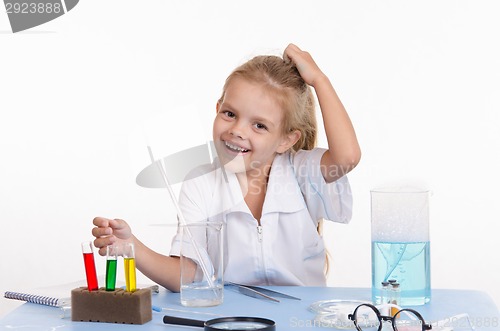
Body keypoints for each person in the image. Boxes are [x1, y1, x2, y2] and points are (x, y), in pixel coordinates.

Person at [92, 43, 361, 292]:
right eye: (230, 114)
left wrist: (319, 80)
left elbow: (347, 157)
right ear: (218, 108)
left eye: (259, 125)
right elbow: (188, 272)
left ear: (286, 140)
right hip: (236, 319)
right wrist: (132, 247)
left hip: (303, 319)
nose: (237, 131)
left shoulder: (301, 171)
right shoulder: (201, 182)